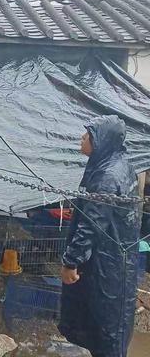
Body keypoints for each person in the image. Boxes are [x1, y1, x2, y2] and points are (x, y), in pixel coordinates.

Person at [59, 115, 141, 357]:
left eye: (87, 136)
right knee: (112, 323)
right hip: (117, 261)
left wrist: (70, 262)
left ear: (101, 141)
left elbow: (90, 225)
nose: (81, 139)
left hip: (105, 262)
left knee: (105, 328)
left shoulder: (107, 176)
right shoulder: (120, 165)